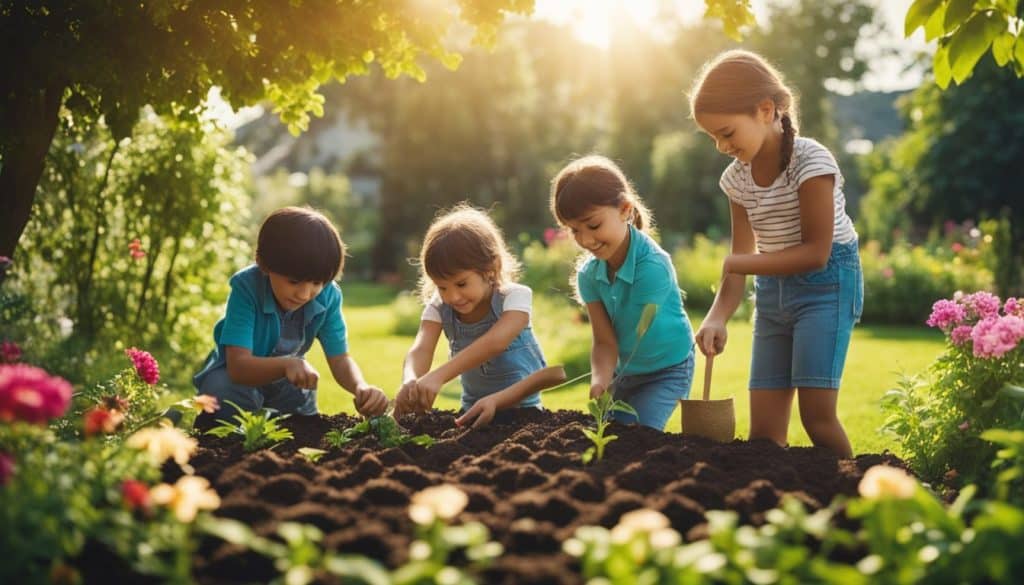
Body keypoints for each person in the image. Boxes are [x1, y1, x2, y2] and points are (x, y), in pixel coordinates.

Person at [689, 49, 863, 458]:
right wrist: (716, 316)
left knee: (817, 418)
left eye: (727, 132)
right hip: (772, 295)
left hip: (827, 286)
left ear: (766, 110)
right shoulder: (736, 180)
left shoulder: (811, 160)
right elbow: (741, 255)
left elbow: (816, 253)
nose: (721, 145)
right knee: (765, 434)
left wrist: (740, 264)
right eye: (713, 137)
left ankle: (860, 498)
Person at [193, 207, 388, 426]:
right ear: (263, 263)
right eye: (294, 282)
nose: (305, 294)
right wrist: (287, 364)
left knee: (299, 426)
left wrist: (360, 386)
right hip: (236, 379)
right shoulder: (247, 287)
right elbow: (238, 366)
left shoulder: (329, 295)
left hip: (287, 383)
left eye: (317, 283)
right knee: (222, 394)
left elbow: (340, 358)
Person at [550, 155, 695, 431]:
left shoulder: (652, 267)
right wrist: (600, 380)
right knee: (610, 435)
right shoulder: (588, 275)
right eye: (575, 230)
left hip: (667, 369)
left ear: (625, 209)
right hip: (624, 371)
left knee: (638, 434)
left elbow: (636, 333)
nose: (585, 240)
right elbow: (605, 341)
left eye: (593, 226)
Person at [394, 204, 550, 428]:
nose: (453, 296)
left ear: (491, 268)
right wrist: (410, 379)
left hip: (522, 414)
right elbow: (421, 347)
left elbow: (497, 341)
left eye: (461, 283)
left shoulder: (514, 297)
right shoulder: (439, 307)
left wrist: (439, 375)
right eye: (442, 287)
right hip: (471, 413)